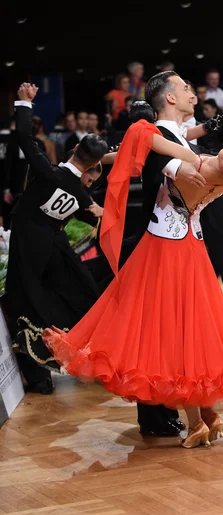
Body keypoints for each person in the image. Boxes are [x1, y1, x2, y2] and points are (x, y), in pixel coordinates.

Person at [43, 86, 223, 449]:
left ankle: (195, 423)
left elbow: (150, 141)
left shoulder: (197, 168)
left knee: (172, 334)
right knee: (193, 332)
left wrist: (148, 135)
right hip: (191, 247)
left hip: (163, 251)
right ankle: (207, 414)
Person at [5, 82, 108, 395]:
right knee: (79, 294)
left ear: (75, 150)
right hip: (56, 247)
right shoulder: (81, 195)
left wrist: (24, 103)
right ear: (92, 166)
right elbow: (97, 215)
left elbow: (24, 137)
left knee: (25, 302)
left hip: (27, 246)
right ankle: (95, 356)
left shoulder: (48, 172)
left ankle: (38, 376)